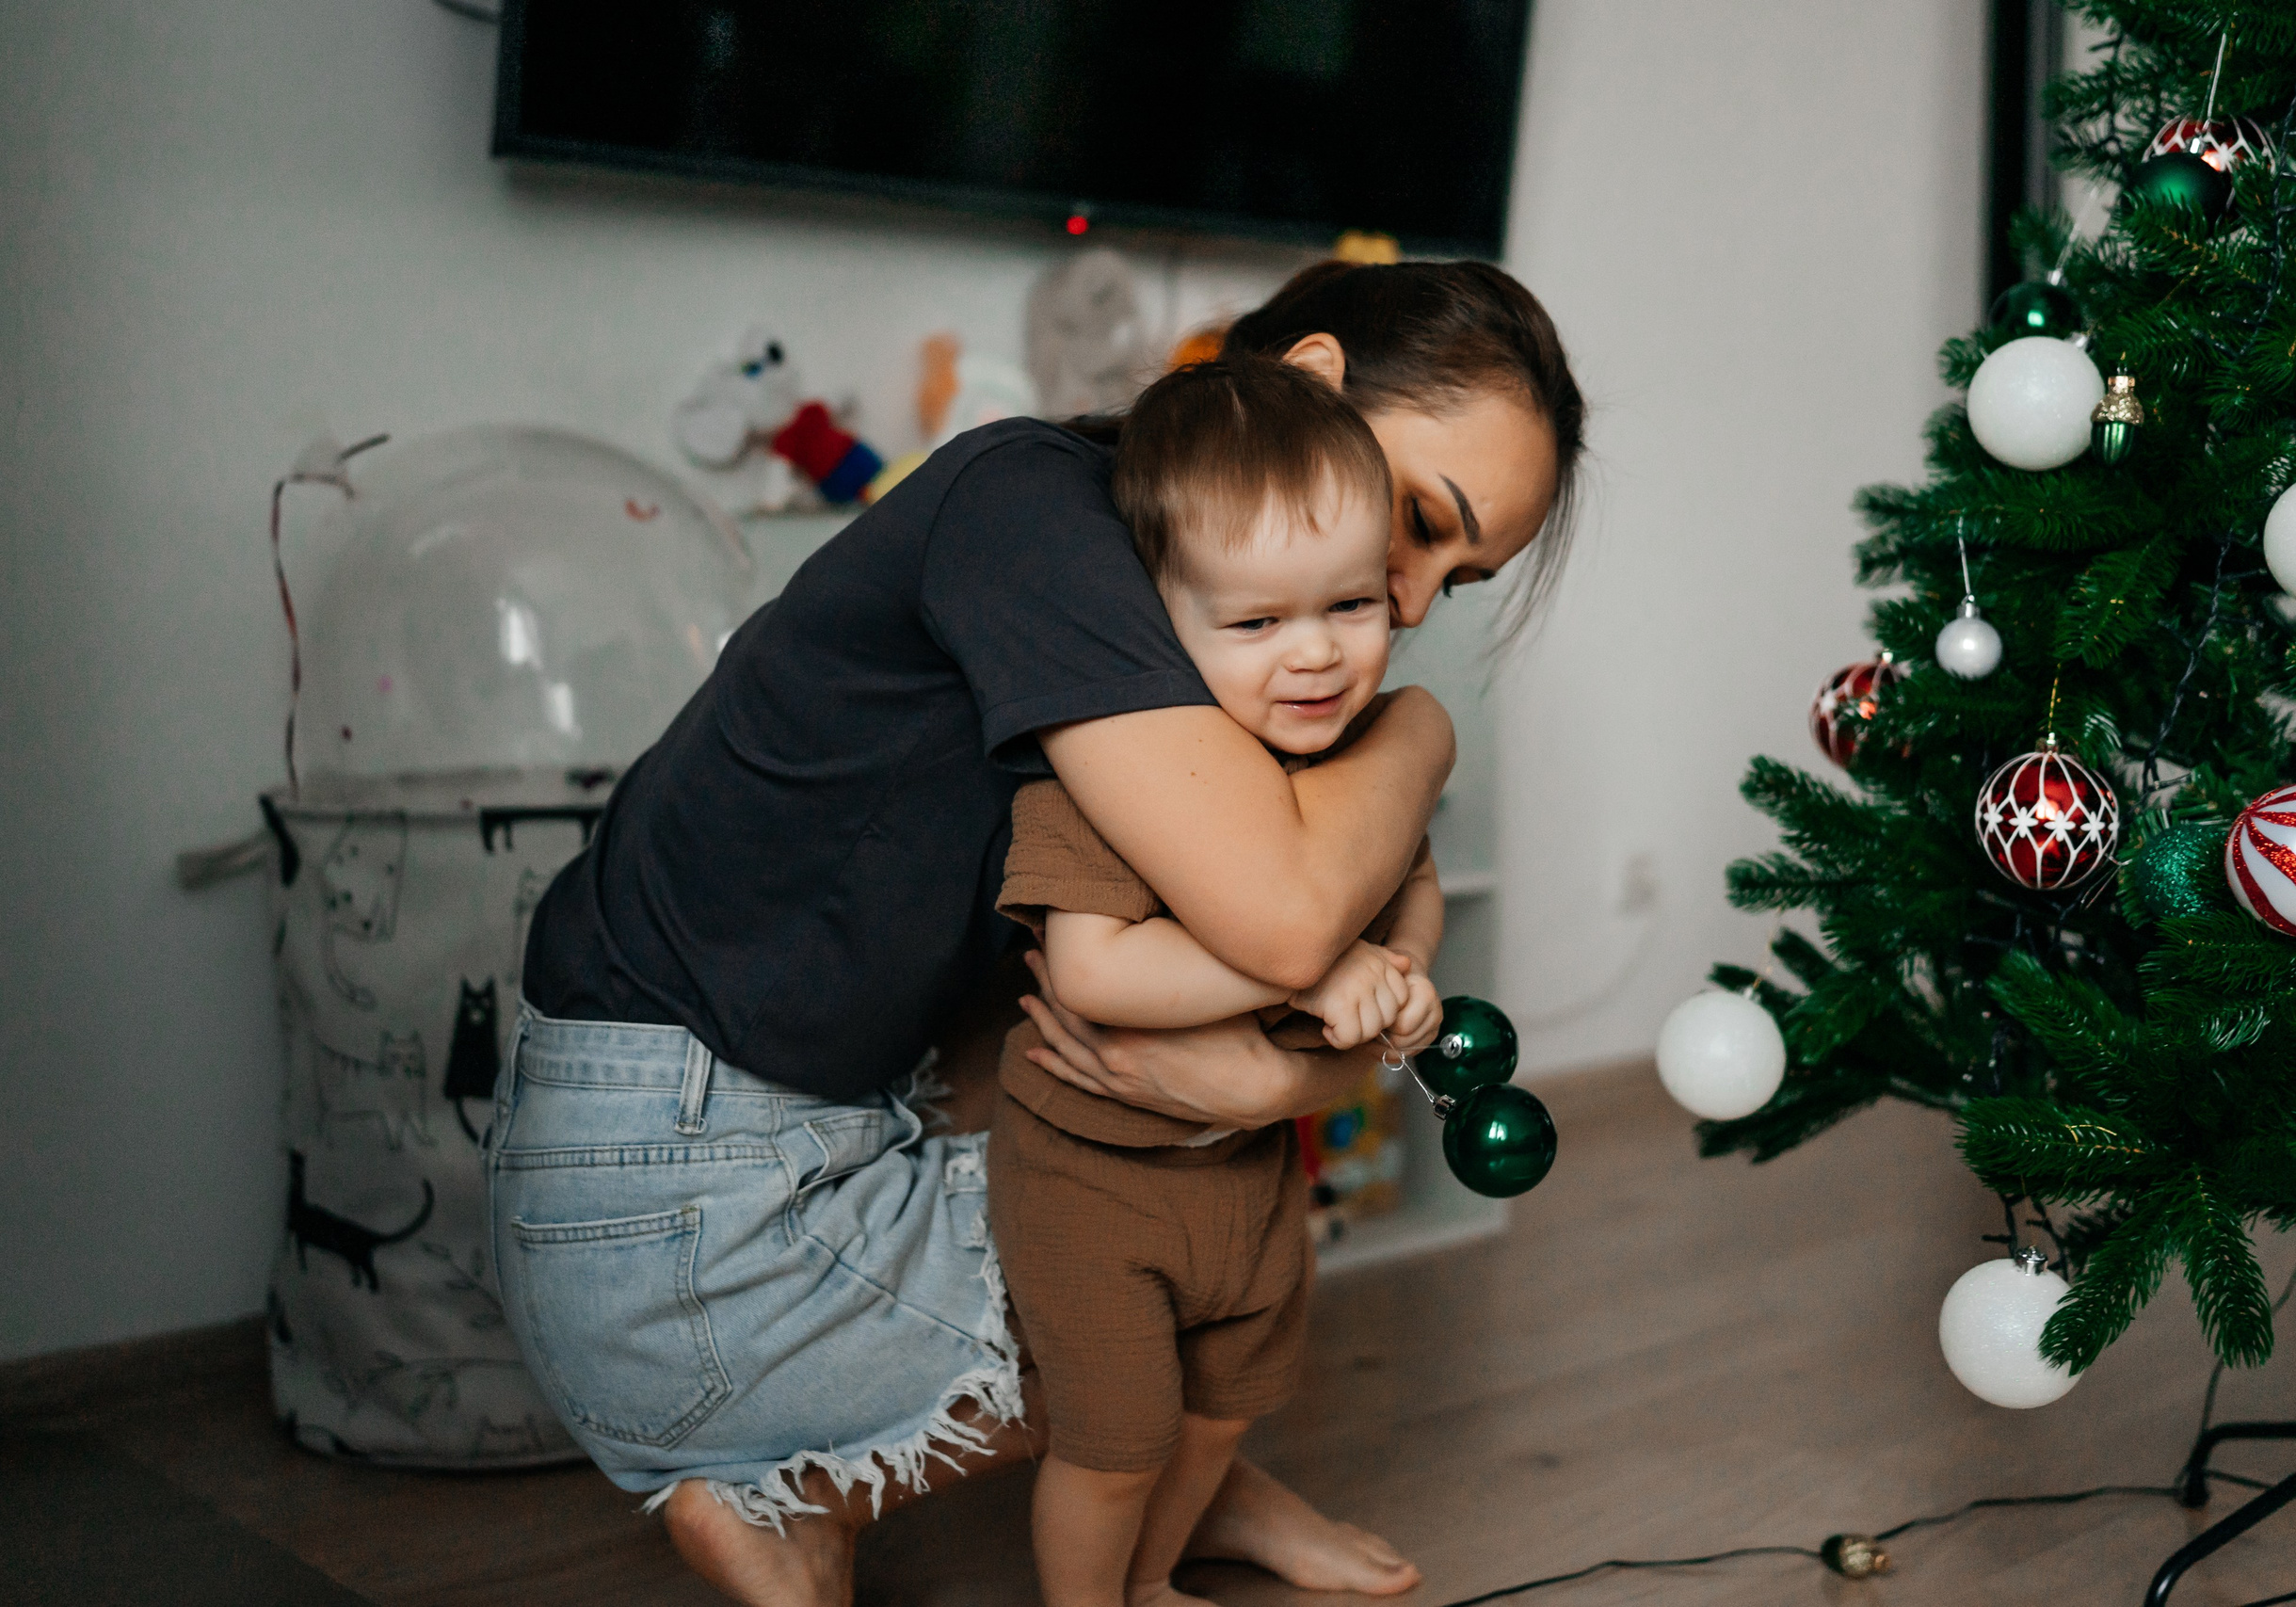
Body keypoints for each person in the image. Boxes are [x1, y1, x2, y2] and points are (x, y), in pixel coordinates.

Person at [490, 259, 1586, 1607]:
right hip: (668, 1221)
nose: (1411, 607)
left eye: (1454, 582)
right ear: (1310, 384)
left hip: (794, 1142)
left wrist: (1294, 1074)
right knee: (1165, 1253)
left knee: (1212, 1204)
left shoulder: (1201, 641)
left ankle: (1161, 1481)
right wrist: (1426, 732)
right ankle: (799, 1484)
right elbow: (1298, 926)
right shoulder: (1034, 514)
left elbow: (1277, 979)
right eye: (1422, 521)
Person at [987, 357, 1449, 1607]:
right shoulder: (1117, 775)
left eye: (1349, 607)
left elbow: (1409, 876)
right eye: (1254, 625)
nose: (1313, 658)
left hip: (1245, 1178)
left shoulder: (1352, 763)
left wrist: (1402, 967)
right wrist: (1325, 960)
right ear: (1158, 621)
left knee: (1220, 1414)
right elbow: (1096, 969)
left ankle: (1150, 1589)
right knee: (1116, 1440)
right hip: (1098, 1185)